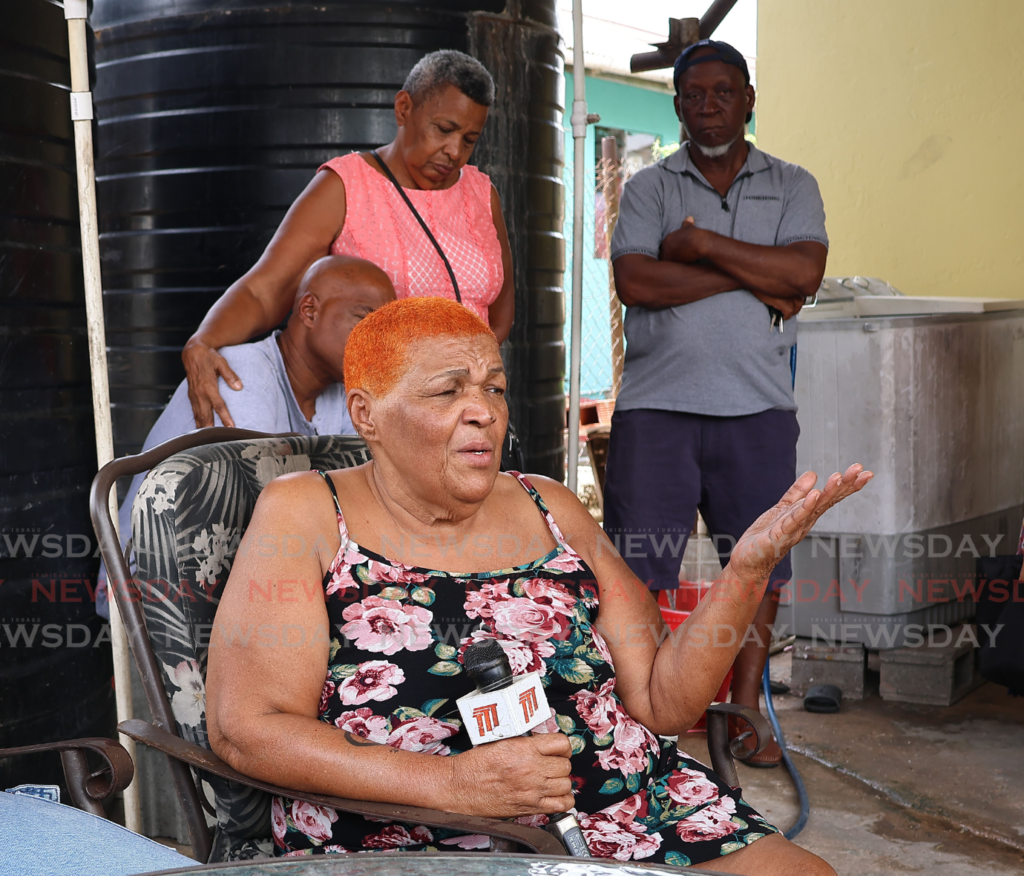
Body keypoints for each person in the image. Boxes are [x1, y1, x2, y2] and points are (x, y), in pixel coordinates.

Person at [206, 297, 869, 872]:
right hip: (415, 835)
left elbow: (665, 702)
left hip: (629, 812)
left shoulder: (550, 504)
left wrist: (745, 571)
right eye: (448, 391)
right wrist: (453, 785)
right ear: (367, 412)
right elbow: (247, 728)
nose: (484, 412)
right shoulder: (308, 512)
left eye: (494, 388)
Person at [603, 40, 830, 766]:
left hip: (759, 409)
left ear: (748, 98)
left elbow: (805, 271)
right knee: (641, 568)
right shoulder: (649, 188)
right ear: (676, 106)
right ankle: (646, 715)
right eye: (693, 95)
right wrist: (757, 277)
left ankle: (741, 711)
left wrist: (701, 247)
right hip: (656, 410)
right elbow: (638, 282)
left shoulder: (793, 184)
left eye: (722, 92)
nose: (708, 106)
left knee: (758, 569)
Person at [181, 49, 515, 429]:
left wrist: (460, 381)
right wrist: (203, 341)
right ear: (404, 108)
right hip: (380, 416)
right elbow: (265, 289)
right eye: (443, 129)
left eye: (470, 139)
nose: (455, 151)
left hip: (468, 413)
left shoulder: (481, 193)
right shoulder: (345, 186)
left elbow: (498, 313)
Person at [96, 255, 393, 619]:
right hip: (160, 603)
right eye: (364, 319)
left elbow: (370, 500)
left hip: (249, 590)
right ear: (309, 311)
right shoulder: (244, 372)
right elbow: (261, 517)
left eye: (385, 327)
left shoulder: (343, 394)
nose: (377, 341)